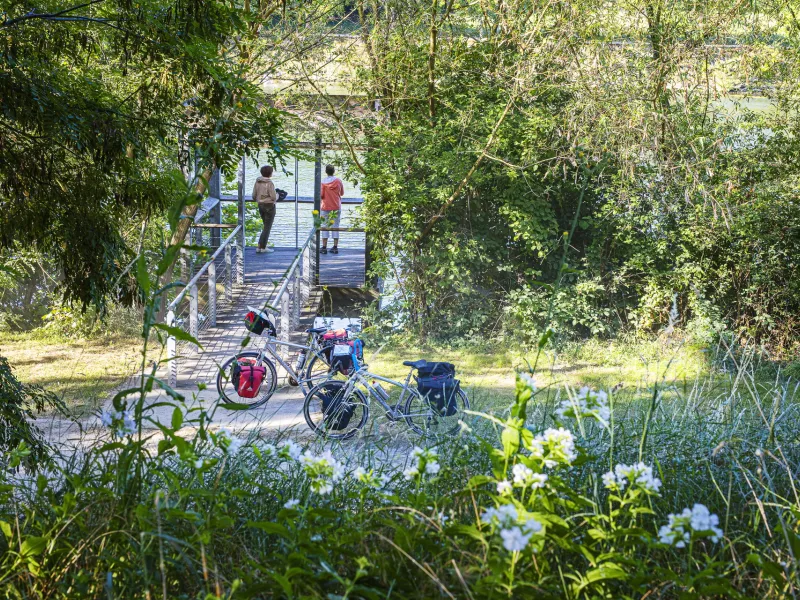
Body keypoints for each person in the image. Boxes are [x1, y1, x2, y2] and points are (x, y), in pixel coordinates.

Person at [320, 164, 344, 254]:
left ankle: (324, 247)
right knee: (335, 226)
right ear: (334, 171)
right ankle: (335, 247)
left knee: (325, 226)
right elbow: (342, 193)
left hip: (325, 207)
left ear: (326, 172)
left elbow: (321, 195)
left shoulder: (322, 182)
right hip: (336, 206)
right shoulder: (338, 181)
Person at [252, 165, 277, 254]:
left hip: (260, 205)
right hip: (269, 206)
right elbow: (273, 197)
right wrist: (277, 196)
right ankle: (262, 247)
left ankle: (260, 246)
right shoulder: (269, 183)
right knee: (267, 227)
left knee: (265, 226)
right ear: (270, 173)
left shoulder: (257, 182)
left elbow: (254, 195)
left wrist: (259, 199)